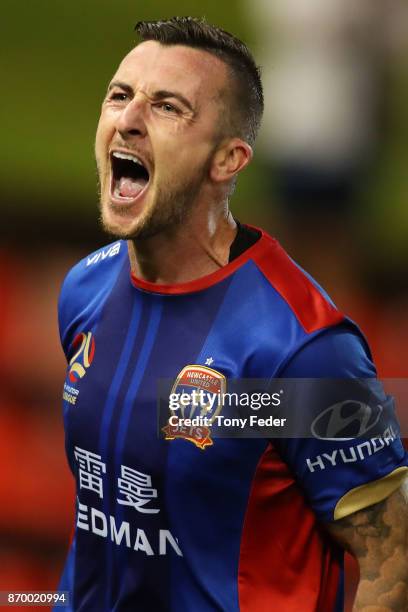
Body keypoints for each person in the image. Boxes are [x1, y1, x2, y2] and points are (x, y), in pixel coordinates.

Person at [57, 17, 408, 611]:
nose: (129, 119)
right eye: (119, 95)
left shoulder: (300, 348)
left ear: (228, 159)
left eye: (168, 107)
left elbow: (390, 557)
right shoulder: (85, 288)